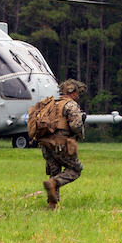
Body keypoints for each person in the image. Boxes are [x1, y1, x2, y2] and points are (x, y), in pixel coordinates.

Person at [39, 79, 87, 210]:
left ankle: (52, 204)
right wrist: (81, 126)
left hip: (46, 145)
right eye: (77, 93)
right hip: (61, 145)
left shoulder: (51, 104)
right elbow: (75, 126)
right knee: (75, 169)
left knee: (54, 172)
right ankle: (54, 184)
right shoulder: (71, 105)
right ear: (72, 92)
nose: (78, 96)